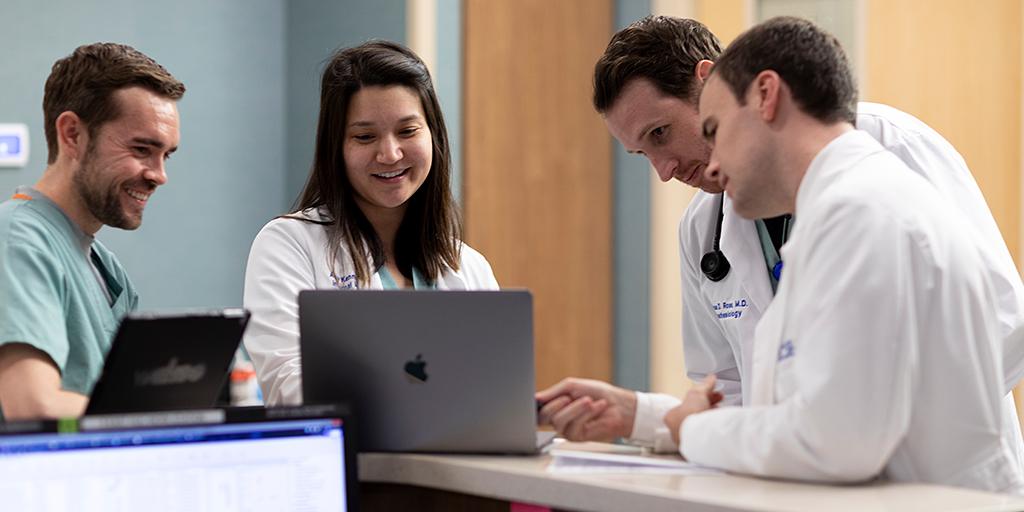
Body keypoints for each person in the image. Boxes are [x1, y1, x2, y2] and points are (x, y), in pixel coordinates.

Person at [537, 15, 1024, 461]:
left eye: (661, 133)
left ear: (713, 84)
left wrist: (880, 439)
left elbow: (1003, 322)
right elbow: (740, 396)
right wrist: (647, 418)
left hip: (926, 478)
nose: (664, 172)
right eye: (642, 155)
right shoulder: (705, 226)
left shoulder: (883, 165)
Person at [243, 41, 499, 406]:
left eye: (408, 131)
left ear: (434, 136)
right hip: (348, 459)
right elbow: (288, 386)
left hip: (458, 461)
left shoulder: (467, 265)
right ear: (336, 147)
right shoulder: (288, 245)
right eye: (365, 137)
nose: (390, 154)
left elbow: (494, 389)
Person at [0, 43, 185, 420]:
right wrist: (168, 417)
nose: (159, 175)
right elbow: (33, 406)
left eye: (166, 155)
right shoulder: (17, 240)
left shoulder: (105, 267)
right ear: (72, 135)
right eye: (142, 149)